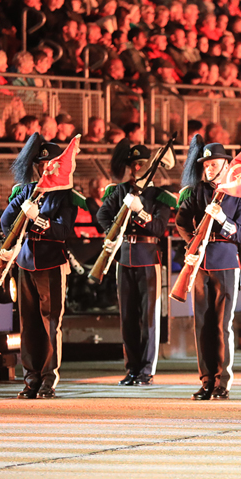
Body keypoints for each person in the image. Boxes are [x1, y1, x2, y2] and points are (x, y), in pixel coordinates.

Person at [1, 133, 83, 399]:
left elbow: (63, 230)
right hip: (26, 261)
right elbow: (5, 222)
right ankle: (30, 377)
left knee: (50, 323)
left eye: (49, 163)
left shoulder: (65, 195)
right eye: (40, 163)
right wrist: (21, 209)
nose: (44, 167)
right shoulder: (25, 190)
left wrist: (38, 221)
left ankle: (48, 377)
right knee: (28, 324)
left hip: (51, 262)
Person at [175, 136, 241, 401]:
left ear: (226, 165)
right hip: (200, 263)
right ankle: (206, 380)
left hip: (225, 262)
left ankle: (222, 382)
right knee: (202, 325)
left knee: (222, 325)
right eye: (206, 164)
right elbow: (182, 221)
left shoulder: (238, 194)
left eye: (214, 164)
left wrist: (222, 219)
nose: (208, 168)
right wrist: (192, 245)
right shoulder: (197, 191)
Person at [96, 140, 175, 387]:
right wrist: (113, 234)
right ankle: (131, 368)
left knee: (149, 318)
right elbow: (102, 215)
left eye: (141, 164)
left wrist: (140, 212)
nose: (136, 168)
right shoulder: (119, 191)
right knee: (128, 317)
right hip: (125, 257)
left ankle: (146, 370)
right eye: (134, 164)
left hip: (148, 258)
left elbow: (159, 229)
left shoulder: (160, 196)